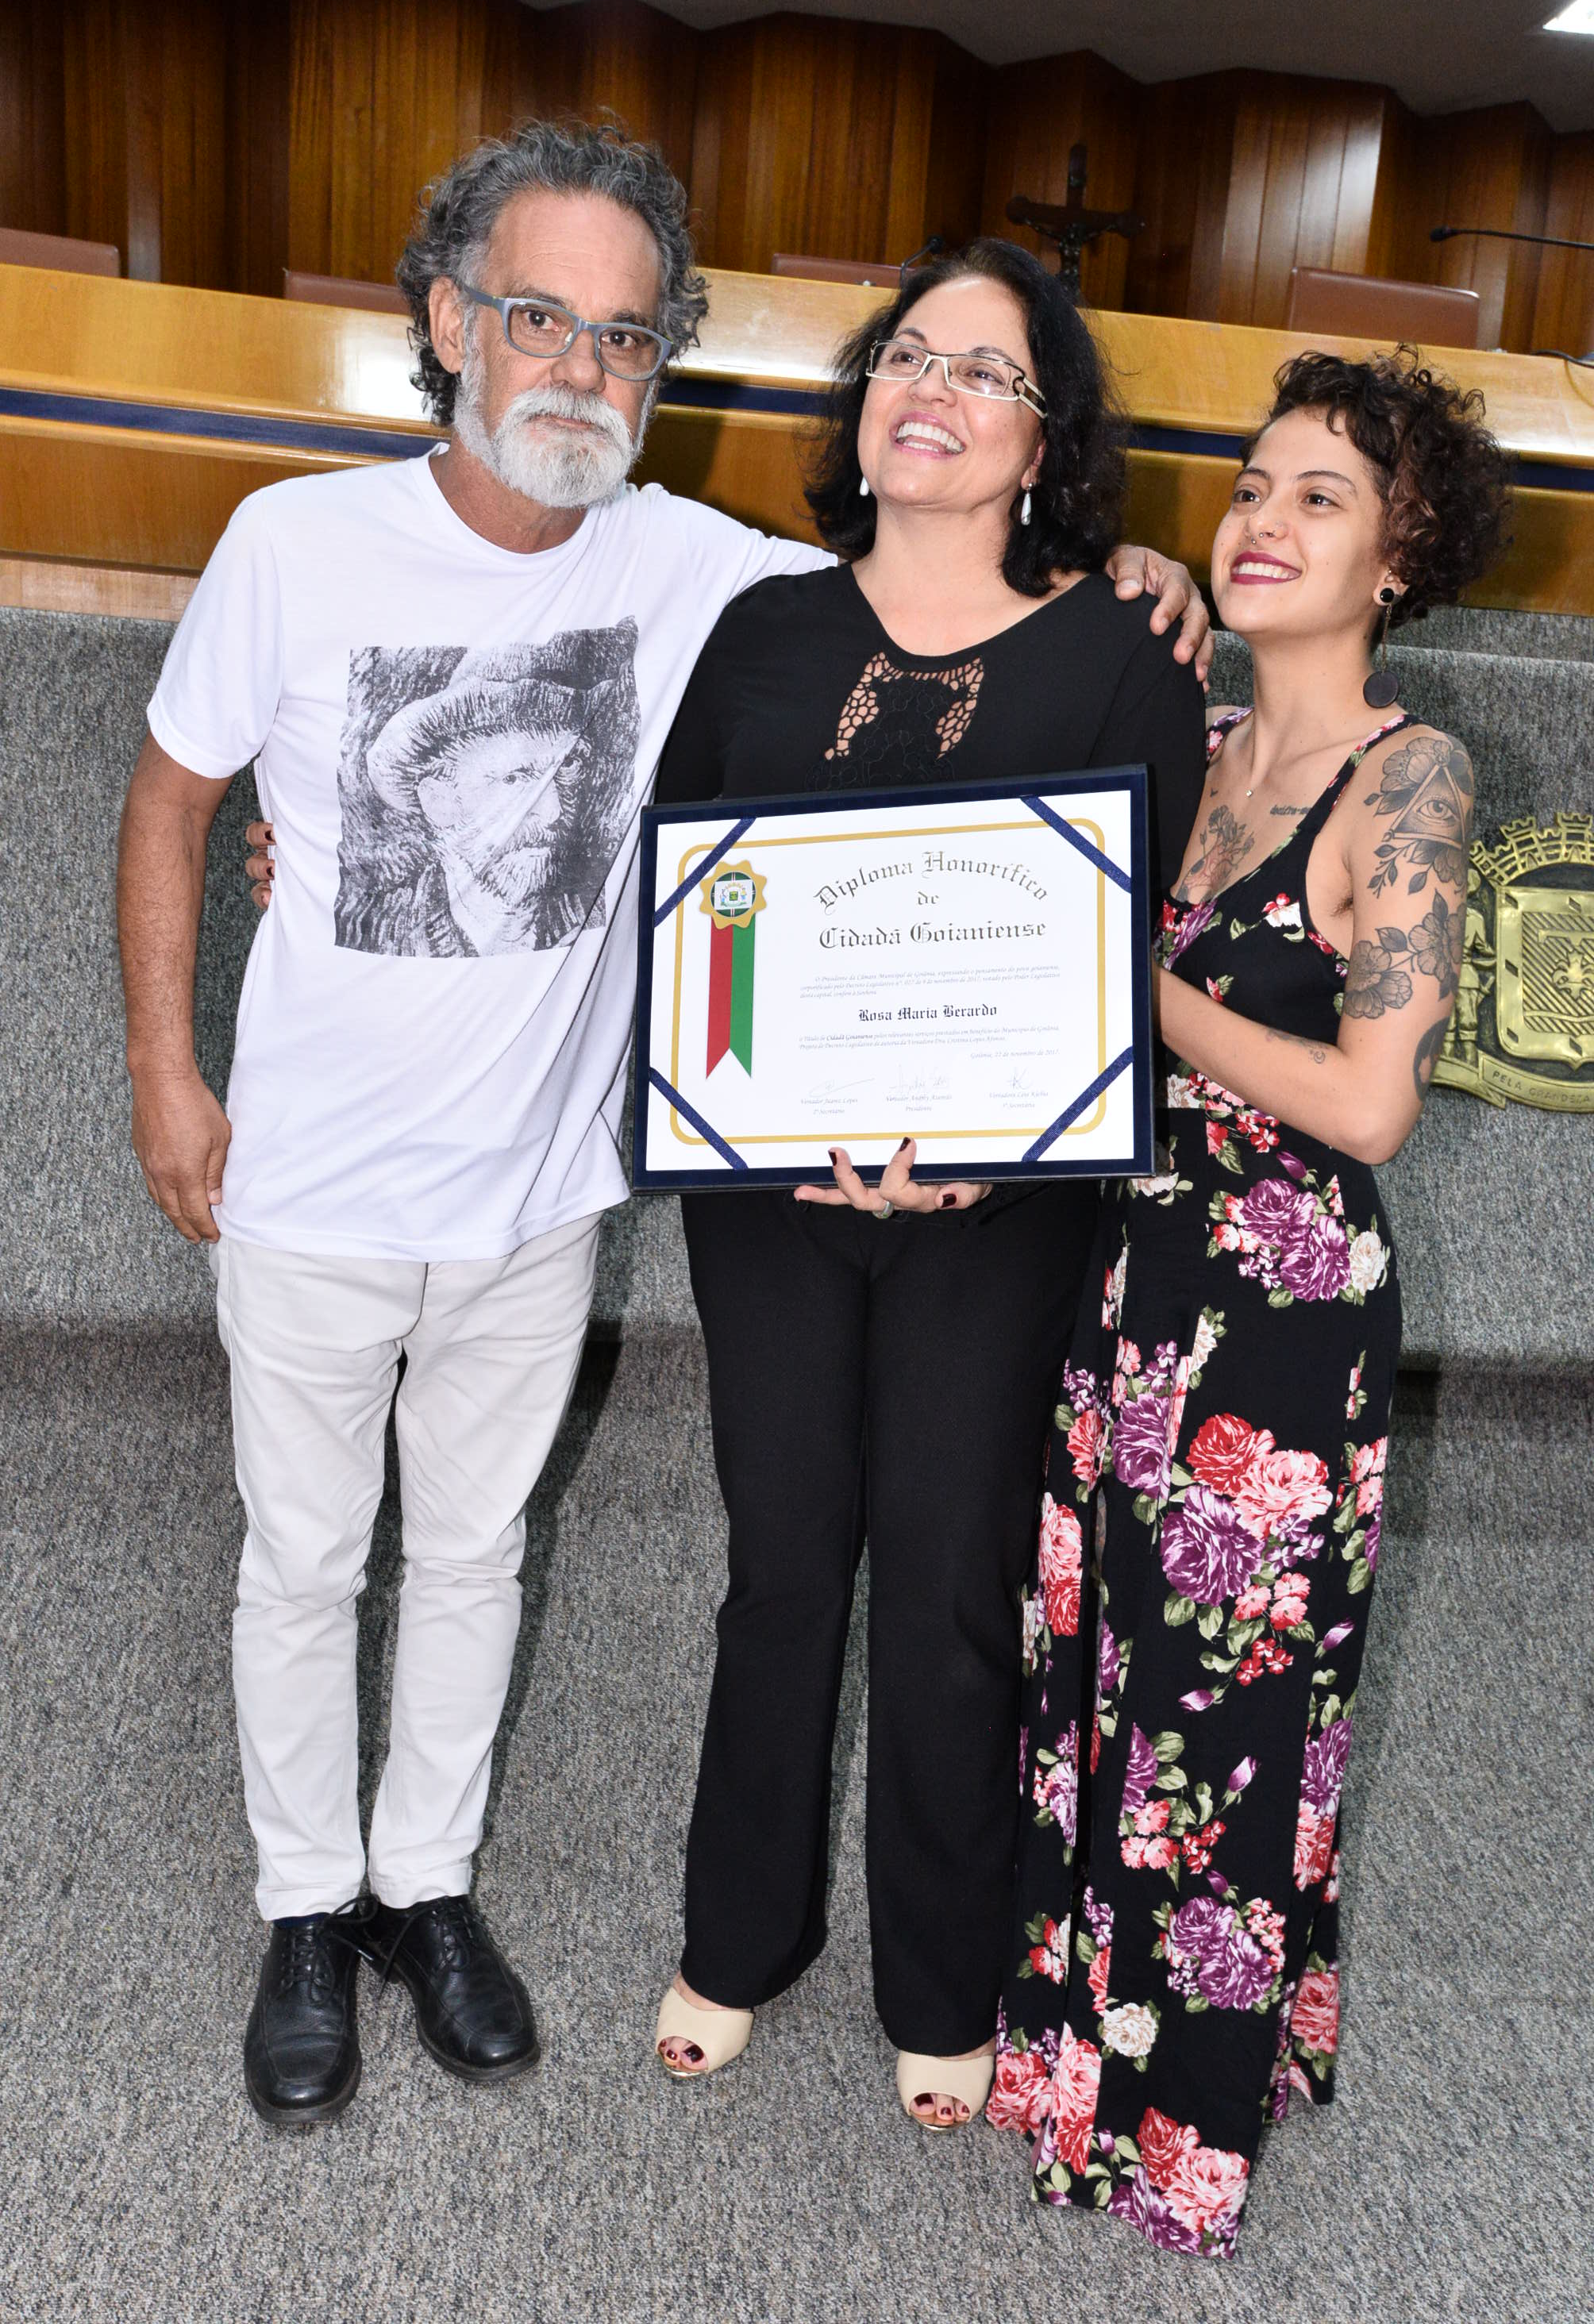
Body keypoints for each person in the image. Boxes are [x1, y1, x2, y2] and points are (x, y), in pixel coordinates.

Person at [121, 118, 1211, 2130]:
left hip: (542, 1192)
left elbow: (940, 598)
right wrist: (167, 1074)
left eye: (625, 338)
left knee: (474, 1560)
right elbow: (177, 798)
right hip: (308, 1177)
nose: (579, 368)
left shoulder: (704, 572)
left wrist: (1139, 564)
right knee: (302, 1560)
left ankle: (425, 1888)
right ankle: (303, 1909)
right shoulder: (292, 540)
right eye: (538, 318)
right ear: (447, 320)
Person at [648, 239, 1207, 2130]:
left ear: (1044, 443)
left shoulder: (1122, 649)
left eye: (984, 371)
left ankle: (939, 1975)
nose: (931, 391)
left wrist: (991, 1144)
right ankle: (737, 1933)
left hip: (1006, 1206)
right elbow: (682, 892)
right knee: (779, 1556)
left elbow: (1125, 945)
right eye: (906, 356)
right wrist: (742, 1102)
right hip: (769, 1194)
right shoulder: (761, 628)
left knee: (954, 1579)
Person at [989, 348, 1510, 2253]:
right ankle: (1078, 2054)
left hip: (1276, 1319)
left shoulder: (1411, 773)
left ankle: (1183, 2122)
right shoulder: (1194, 738)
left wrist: (1134, 988)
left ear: (1400, 554)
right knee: (1104, 1677)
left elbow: (1368, 1105)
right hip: (1128, 1278)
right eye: (1249, 487)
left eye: (1320, 497)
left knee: (1223, 1718)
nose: (1263, 521)